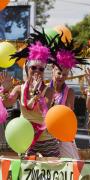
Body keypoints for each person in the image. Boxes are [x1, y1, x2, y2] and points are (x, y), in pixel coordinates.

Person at [0, 29, 61, 157]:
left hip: (47, 140)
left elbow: (44, 110)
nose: (37, 71)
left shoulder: (48, 90)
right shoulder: (19, 89)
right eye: (33, 67)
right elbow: (6, 103)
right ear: (27, 68)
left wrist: (37, 94)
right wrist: (4, 89)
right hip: (26, 141)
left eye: (41, 69)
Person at [49, 37, 88, 159]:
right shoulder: (45, 88)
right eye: (59, 73)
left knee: (71, 165)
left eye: (64, 74)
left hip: (62, 135)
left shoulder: (69, 92)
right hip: (44, 134)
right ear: (53, 70)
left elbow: (68, 113)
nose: (61, 76)